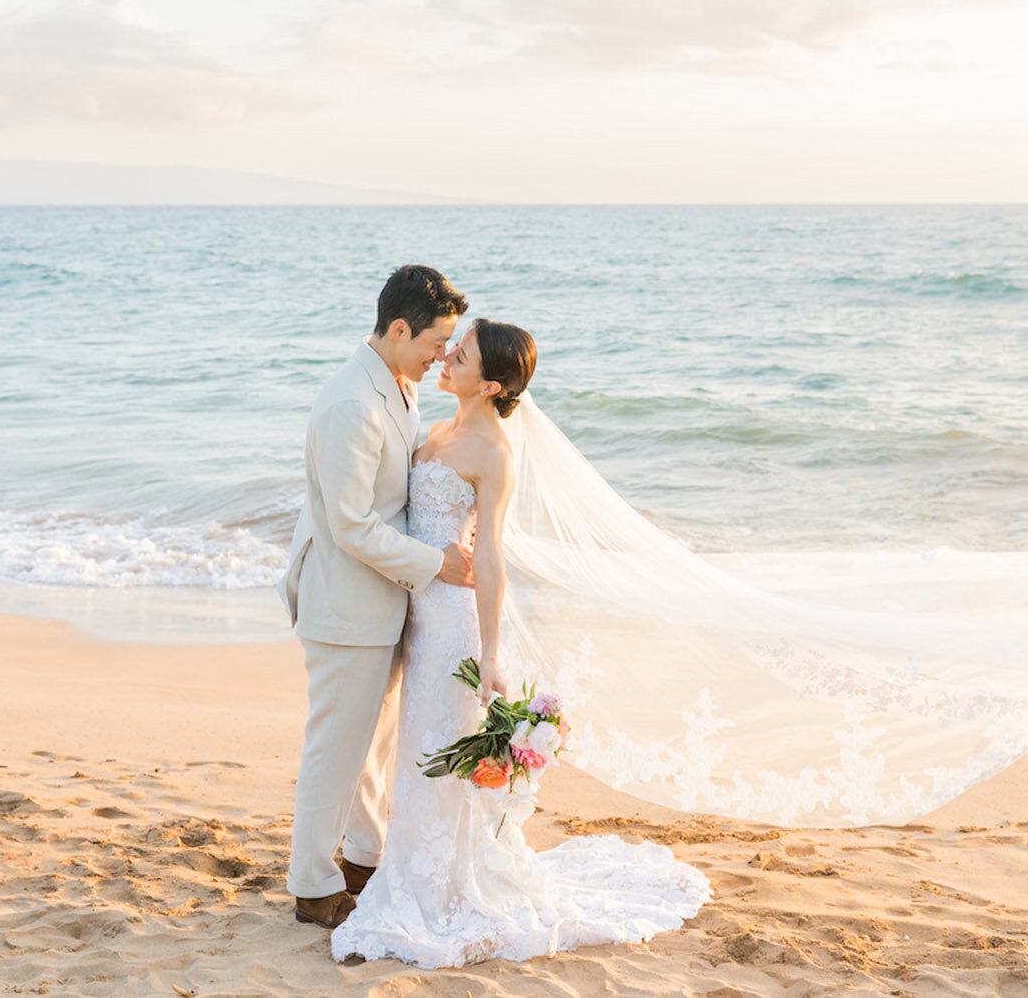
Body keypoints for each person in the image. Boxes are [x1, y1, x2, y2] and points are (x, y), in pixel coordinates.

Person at [330, 319, 712, 967]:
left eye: (464, 352)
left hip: (450, 627)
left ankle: (442, 887)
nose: (448, 355)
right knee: (414, 756)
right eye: (453, 346)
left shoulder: (495, 453)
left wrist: (490, 652)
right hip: (413, 616)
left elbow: (493, 558)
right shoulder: (435, 428)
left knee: (440, 759)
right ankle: (411, 872)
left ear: (494, 383)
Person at [279, 265, 473, 928]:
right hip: (346, 604)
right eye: (435, 342)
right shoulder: (351, 406)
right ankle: (312, 886)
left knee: (372, 744)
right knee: (336, 749)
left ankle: (362, 859)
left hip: (385, 601)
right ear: (398, 329)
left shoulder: (398, 382)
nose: (442, 356)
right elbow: (352, 525)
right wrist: (438, 563)